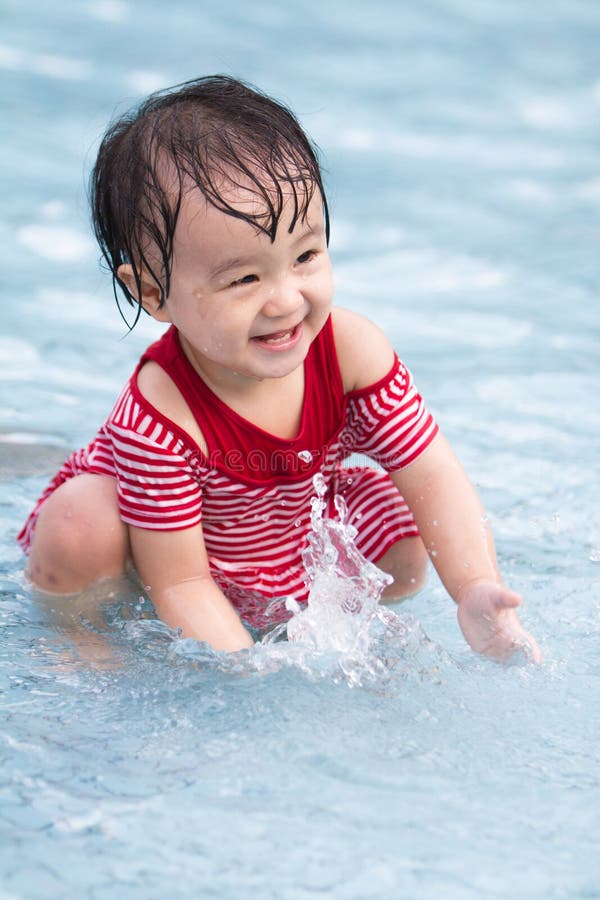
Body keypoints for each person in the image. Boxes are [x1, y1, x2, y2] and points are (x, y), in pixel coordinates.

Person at [18, 75, 540, 662]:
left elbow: (433, 473)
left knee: (404, 533)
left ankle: (275, 601)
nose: (286, 300)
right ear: (152, 293)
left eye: (306, 255)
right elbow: (182, 585)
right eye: (244, 278)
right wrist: (252, 681)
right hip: (164, 552)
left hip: (281, 528)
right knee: (80, 524)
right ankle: (81, 640)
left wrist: (471, 588)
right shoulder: (159, 418)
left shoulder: (351, 354)